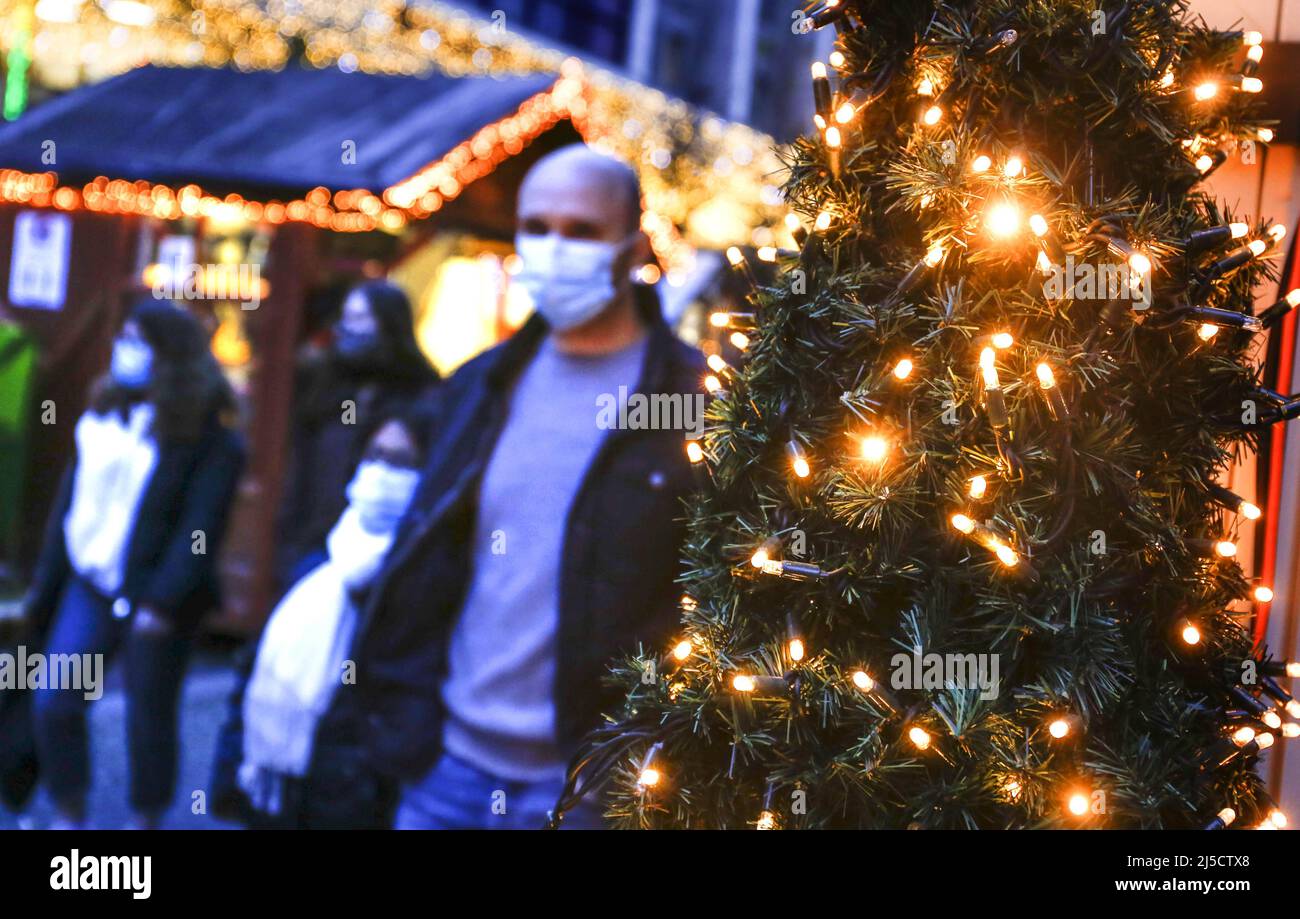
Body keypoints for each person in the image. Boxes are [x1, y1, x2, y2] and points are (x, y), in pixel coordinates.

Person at [330, 143, 706, 830]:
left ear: (630, 248)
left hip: (583, 792)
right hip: (443, 768)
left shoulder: (692, 399)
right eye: (537, 227)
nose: (554, 248)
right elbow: (426, 561)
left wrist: (632, 760)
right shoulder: (479, 384)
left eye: (582, 231)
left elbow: (705, 602)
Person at [23, 299, 245, 829]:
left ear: (170, 356)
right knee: (54, 699)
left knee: (148, 716)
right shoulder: (103, 413)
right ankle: (68, 812)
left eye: (139, 342)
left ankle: (146, 821)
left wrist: (162, 601)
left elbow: (200, 527)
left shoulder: (210, 439)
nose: (125, 350)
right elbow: (71, 506)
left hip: (155, 598)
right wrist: (45, 584)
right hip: (90, 582)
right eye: (123, 338)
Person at [210, 408, 433, 829]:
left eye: (402, 462)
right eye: (375, 456)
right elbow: (256, 671)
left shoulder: (421, 584)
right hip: (276, 796)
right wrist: (228, 777)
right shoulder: (319, 561)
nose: (382, 471)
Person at [276, 281, 437, 588]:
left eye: (362, 318)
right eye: (348, 317)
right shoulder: (328, 382)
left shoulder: (417, 390)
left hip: (377, 542)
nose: (350, 328)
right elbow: (302, 463)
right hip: (314, 538)